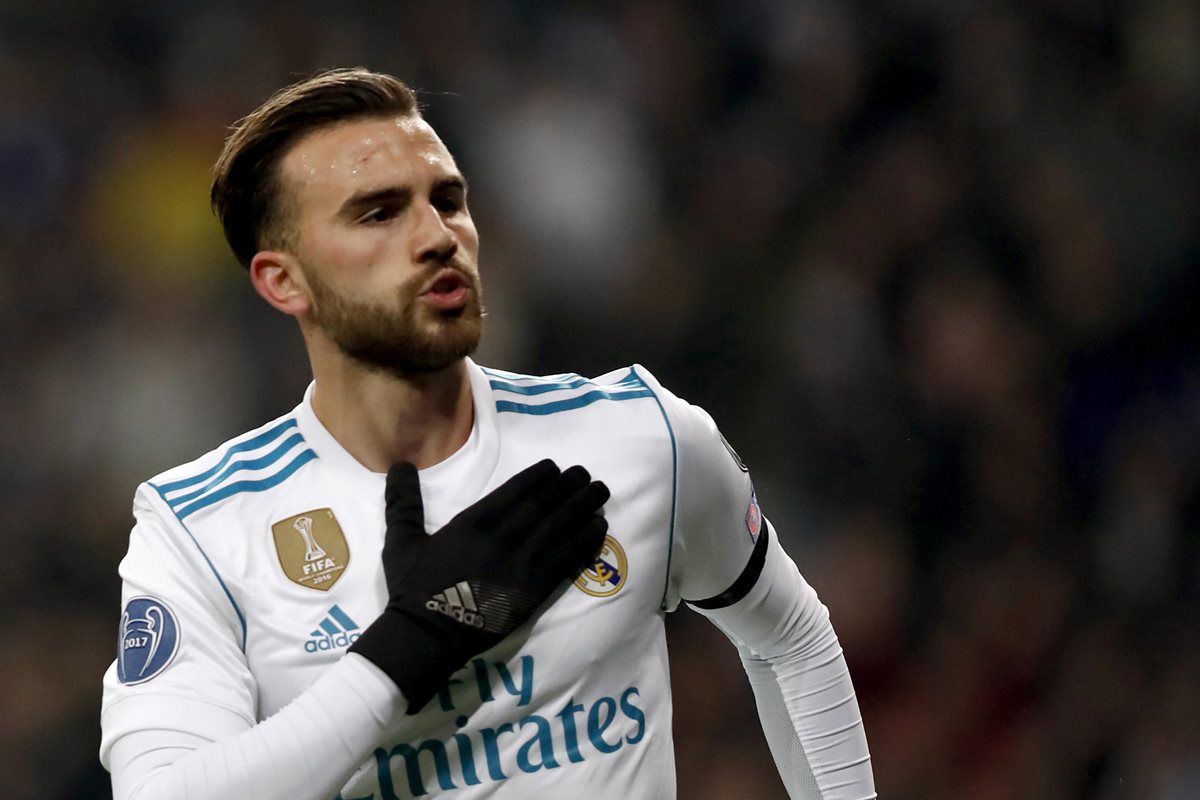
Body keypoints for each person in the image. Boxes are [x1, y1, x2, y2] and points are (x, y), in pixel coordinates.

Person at [99, 67, 877, 800]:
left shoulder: (642, 437)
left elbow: (792, 637)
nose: (437, 235)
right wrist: (408, 650)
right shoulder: (201, 529)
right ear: (283, 280)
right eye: (378, 212)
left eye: (447, 199)